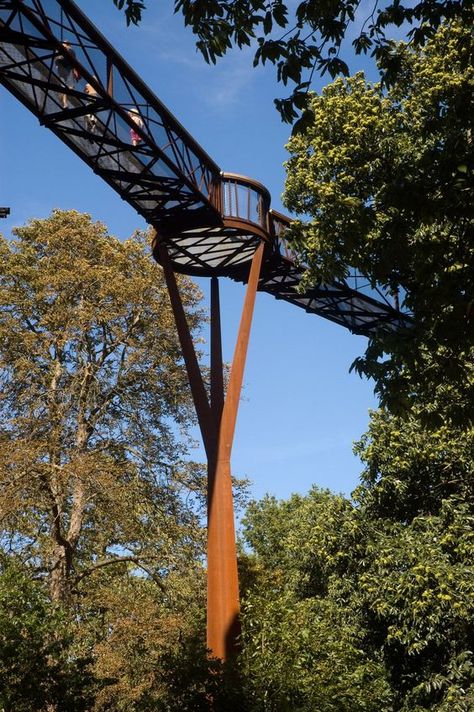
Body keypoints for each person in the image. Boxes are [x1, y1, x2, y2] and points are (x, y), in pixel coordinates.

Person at [54, 41, 79, 108]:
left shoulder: (70, 50)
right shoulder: (63, 51)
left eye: (64, 44)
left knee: (67, 87)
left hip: (67, 69)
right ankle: (64, 103)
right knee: (65, 87)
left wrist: (75, 70)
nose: (63, 45)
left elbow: (72, 61)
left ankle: (64, 102)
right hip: (64, 69)